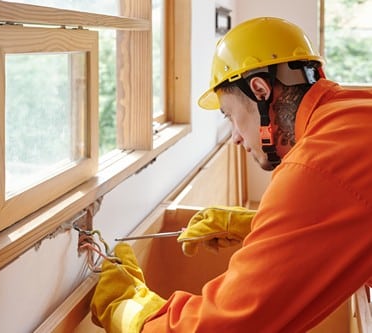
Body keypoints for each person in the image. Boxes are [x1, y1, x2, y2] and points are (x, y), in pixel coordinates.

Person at [90, 17, 372, 332]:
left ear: (260, 90)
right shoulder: (354, 113)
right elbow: (343, 213)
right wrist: (256, 225)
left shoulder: (317, 167)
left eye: (231, 116)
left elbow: (225, 325)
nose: (236, 137)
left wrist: (130, 313)